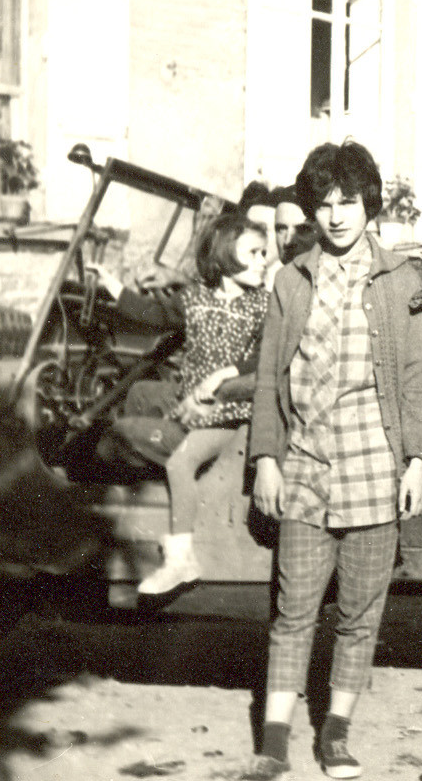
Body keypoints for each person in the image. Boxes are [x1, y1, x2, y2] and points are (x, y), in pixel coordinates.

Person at [248, 141, 422, 780]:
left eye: (347, 202)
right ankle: (274, 738)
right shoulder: (291, 279)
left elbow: (413, 378)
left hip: (373, 468)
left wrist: (416, 461)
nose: (334, 216)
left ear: (368, 205)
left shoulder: (399, 280)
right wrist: (266, 459)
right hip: (304, 467)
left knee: (359, 615)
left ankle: (335, 734)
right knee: (293, 608)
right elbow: (272, 374)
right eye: (322, 204)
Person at [89, 211, 270, 594]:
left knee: (180, 462)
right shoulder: (194, 299)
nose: (263, 260)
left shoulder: (262, 305)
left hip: (229, 414)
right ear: (224, 254)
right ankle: (138, 490)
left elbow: (266, 355)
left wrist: (227, 373)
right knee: (139, 399)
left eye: (264, 253)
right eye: (254, 252)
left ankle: (181, 557)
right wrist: (115, 288)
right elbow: (153, 315)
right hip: (190, 397)